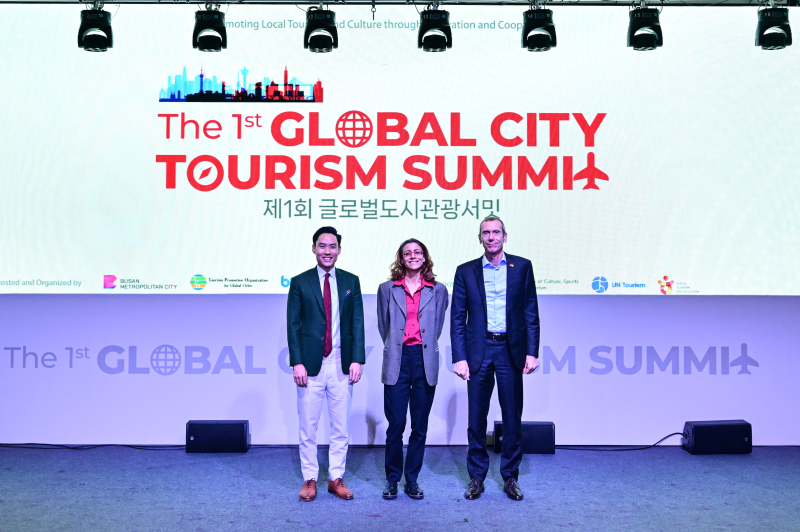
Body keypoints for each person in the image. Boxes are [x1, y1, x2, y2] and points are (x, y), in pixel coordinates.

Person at [450, 216, 541, 501]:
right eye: (486, 233)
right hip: (478, 351)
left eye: (496, 232)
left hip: (510, 351)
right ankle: (477, 476)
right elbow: (457, 318)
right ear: (480, 238)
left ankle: (510, 476)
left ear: (505, 236)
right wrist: (459, 357)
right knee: (476, 417)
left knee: (512, 417)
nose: (491, 237)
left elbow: (530, 312)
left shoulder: (522, 267)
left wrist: (532, 352)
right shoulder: (466, 271)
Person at [287, 226, 366, 502]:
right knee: (308, 426)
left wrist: (357, 358)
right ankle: (309, 478)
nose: (327, 251)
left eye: (332, 246)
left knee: (340, 427)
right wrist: (297, 362)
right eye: (322, 246)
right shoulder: (300, 282)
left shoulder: (351, 281)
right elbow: (293, 325)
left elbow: (357, 322)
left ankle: (335, 478)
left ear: (339, 250)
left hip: (341, 362)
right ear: (314, 249)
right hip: (310, 365)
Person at [377, 239, 449, 500]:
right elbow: (383, 325)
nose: (413, 256)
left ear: (425, 257)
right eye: (407, 253)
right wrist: (397, 346)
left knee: (419, 425)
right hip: (397, 358)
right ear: (401, 258)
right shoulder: (387, 288)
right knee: (396, 424)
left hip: (424, 359)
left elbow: (437, 326)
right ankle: (392, 479)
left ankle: (412, 479)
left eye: (417, 252)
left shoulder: (438, 290)